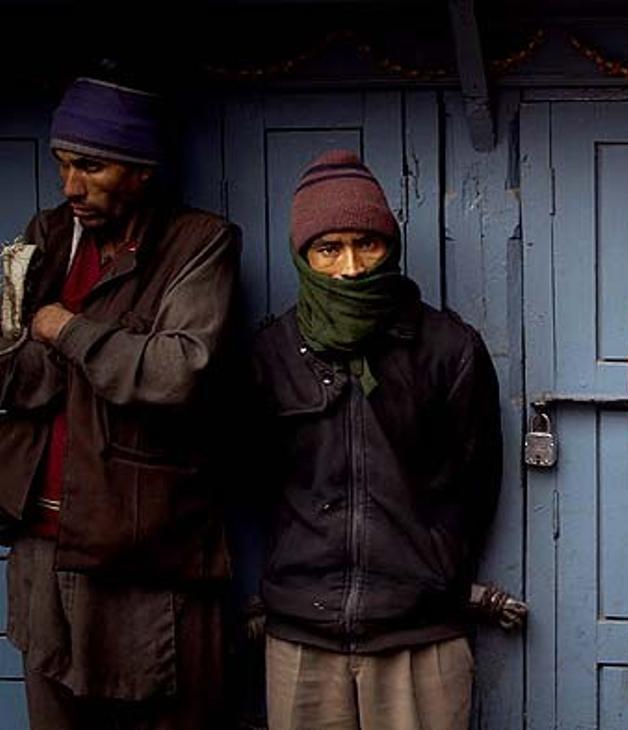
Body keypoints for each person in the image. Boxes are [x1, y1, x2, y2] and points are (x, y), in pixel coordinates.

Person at [0, 76, 241, 729]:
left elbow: (177, 370)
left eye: (90, 166)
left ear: (141, 170)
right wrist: (26, 351)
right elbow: (22, 379)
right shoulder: (48, 236)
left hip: (142, 550)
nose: (70, 186)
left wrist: (66, 331)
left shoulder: (198, 242)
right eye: (62, 164)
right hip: (43, 546)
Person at [252, 150, 502, 730]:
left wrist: (432, 569)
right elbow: (253, 478)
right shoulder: (273, 353)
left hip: (420, 635)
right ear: (303, 256)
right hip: (302, 634)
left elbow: (475, 483)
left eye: (367, 244)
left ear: (390, 245)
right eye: (328, 248)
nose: (351, 268)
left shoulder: (447, 349)